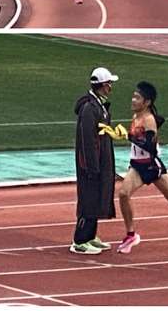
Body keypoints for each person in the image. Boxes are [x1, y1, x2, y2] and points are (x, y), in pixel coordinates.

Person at [100, 81, 168, 254]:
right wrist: (121, 134)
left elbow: (150, 147)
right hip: (136, 165)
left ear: (147, 102)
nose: (133, 100)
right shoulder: (136, 116)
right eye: (133, 96)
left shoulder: (149, 120)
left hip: (151, 166)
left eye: (137, 98)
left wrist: (127, 136)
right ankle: (131, 235)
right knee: (123, 194)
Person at [69, 67, 118, 255]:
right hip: (90, 165)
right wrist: (91, 166)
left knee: (97, 198)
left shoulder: (99, 106)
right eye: (109, 84)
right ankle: (80, 240)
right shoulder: (90, 108)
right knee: (88, 200)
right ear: (102, 85)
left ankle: (90, 236)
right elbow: (87, 140)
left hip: (100, 162)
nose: (111, 87)